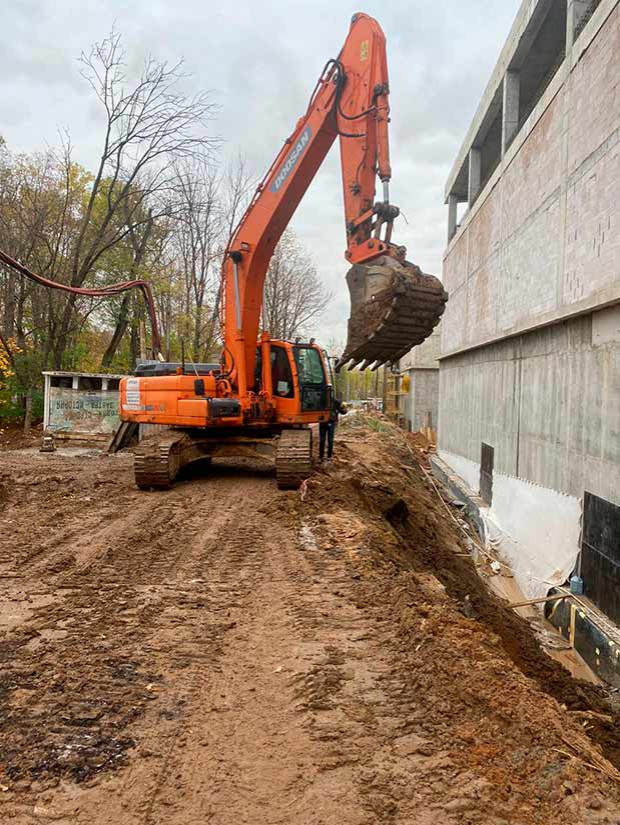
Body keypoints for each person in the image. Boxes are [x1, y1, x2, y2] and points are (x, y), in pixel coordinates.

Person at [319, 396, 347, 461]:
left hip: (322, 422)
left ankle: (321, 457)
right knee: (330, 439)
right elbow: (342, 412)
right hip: (331, 422)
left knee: (322, 439)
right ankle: (329, 456)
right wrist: (345, 409)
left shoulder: (321, 400)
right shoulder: (336, 401)